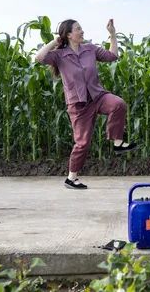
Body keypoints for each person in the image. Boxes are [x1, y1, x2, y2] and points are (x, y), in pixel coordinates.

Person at [35, 19, 137, 190]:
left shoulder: (90, 49)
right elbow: (39, 58)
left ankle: (117, 142)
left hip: (97, 96)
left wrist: (112, 34)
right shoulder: (59, 55)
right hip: (78, 103)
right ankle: (71, 178)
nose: (82, 31)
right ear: (69, 34)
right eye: (78, 29)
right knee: (82, 143)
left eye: (81, 28)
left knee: (118, 104)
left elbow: (112, 56)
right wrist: (55, 41)